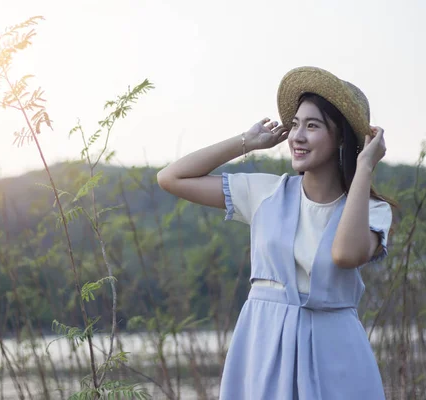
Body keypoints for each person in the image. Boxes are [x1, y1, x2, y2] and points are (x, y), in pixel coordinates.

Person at [157, 66, 393, 399]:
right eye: (295, 124)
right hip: (263, 348)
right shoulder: (266, 192)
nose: (297, 136)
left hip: (337, 359)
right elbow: (171, 178)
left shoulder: (373, 211)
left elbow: (344, 254)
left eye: (312, 126)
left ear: (341, 136)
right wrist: (246, 143)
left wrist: (365, 167)